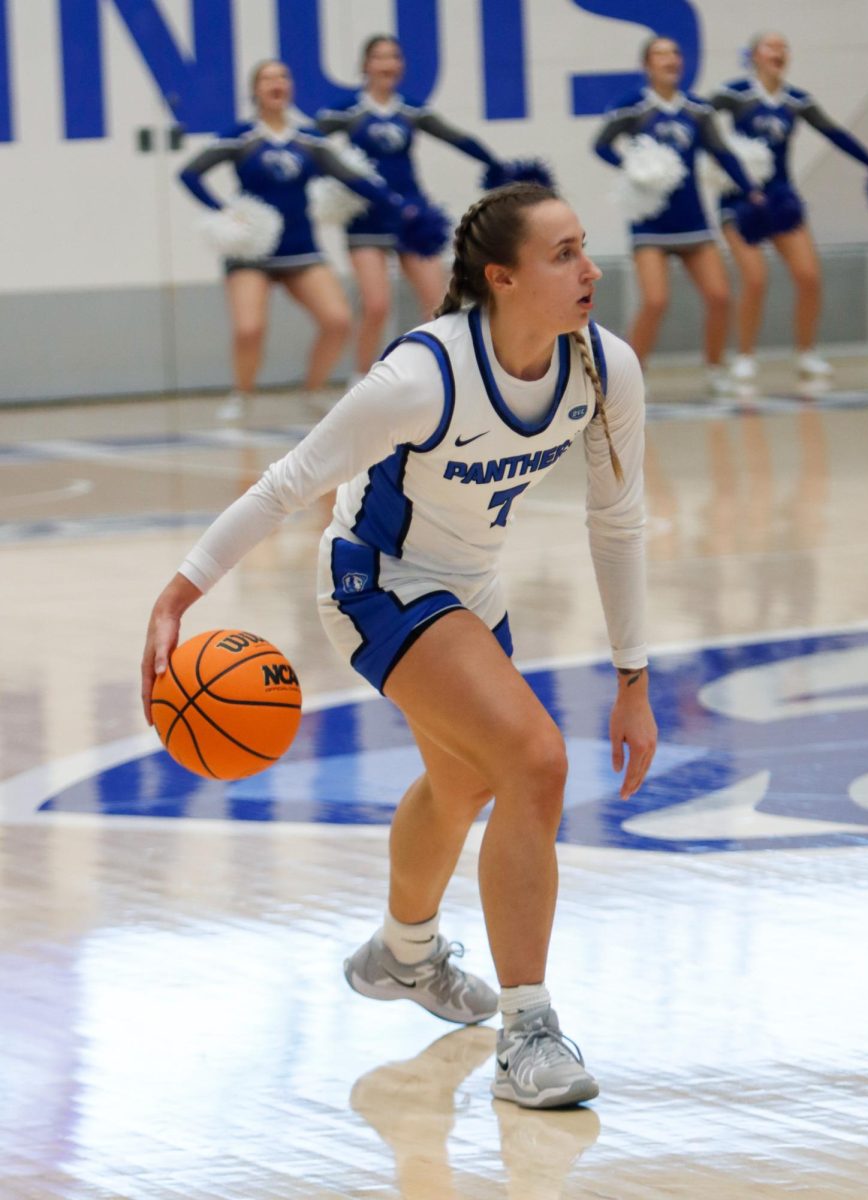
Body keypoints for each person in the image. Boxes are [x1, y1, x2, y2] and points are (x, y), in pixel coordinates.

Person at [141, 183, 658, 1110]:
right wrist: (178, 594)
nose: (589, 270)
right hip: (376, 581)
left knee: (466, 783)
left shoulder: (604, 369)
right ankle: (526, 1033)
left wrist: (633, 677)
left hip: (471, 587)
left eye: (585, 248)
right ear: (501, 278)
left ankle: (403, 954)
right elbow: (289, 480)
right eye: (562, 255)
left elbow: (617, 525)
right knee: (534, 761)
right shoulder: (421, 376)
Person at [179, 60, 406, 419]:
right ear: (255, 90)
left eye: (283, 76)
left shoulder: (309, 141)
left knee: (338, 321)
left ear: (290, 89)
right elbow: (189, 173)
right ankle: (242, 394)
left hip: (300, 247)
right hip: (252, 250)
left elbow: (352, 178)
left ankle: (312, 390)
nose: (277, 82)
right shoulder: (241, 136)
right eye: (267, 77)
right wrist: (224, 211)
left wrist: (397, 204)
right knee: (249, 328)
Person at [314, 34, 505, 378]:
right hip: (366, 217)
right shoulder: (346, 112)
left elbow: (456, 137)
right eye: (380, 57)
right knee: (376, 305)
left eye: (394, 57)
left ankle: (440, 377)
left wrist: (494, 163)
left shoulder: (411, 111)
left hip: (411, 216)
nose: (388, 64)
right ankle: (363, 381)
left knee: (438, 301)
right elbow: (308, 144)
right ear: (365, 66)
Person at [711, 31, 868, 384]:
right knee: (755, 278)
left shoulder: (796, 100)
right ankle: (744, 357)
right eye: (770, 46)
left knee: (809, 276)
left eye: (783, 47)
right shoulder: (735, 95)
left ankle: (807, 353)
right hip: (741, 200)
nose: (778, 52)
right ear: (754, 55)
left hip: (780, 198)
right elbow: (700, 120)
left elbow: (834, 133)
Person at [594, 36, 762, 393]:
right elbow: (601, 145)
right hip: (651, 221)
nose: (670, 59)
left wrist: (750, 189)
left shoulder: (698, 110)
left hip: (693, 221)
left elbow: (722, 153)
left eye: (675, 53)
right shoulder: (633, 107)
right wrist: (632, 165)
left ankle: (715, 371)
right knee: (655, 301)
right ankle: (629, 378)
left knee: (719, 296)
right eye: (661, 54)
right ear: (647, 65)